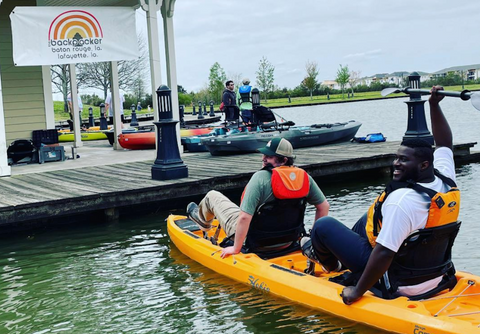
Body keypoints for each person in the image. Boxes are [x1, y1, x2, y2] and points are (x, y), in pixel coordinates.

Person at [301, 86, 460, 303]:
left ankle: (332, 265)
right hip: (437, 275)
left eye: (404, 160)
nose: (396, 163)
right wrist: (434, 105)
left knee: (323, 225)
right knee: (370, 216)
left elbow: (384, 253)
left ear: (423, 165)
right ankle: (337, 255)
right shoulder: (445, 180)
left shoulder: (403, 202)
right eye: (397, 157)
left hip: (399, 282)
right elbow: (444, 144)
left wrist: (356, 291)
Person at [186, 137, 330, 258]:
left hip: (256, 243)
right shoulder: (305, 178)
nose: (263, 158)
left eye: (269, 156)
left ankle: (203, 222)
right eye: (264, 155)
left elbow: (243, 218)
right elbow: (324, 207)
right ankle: (203, 221)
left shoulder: (260, 178)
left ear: (284, 160)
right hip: (288, 242)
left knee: (212, 196)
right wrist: (313, 240)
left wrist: (236, 249)